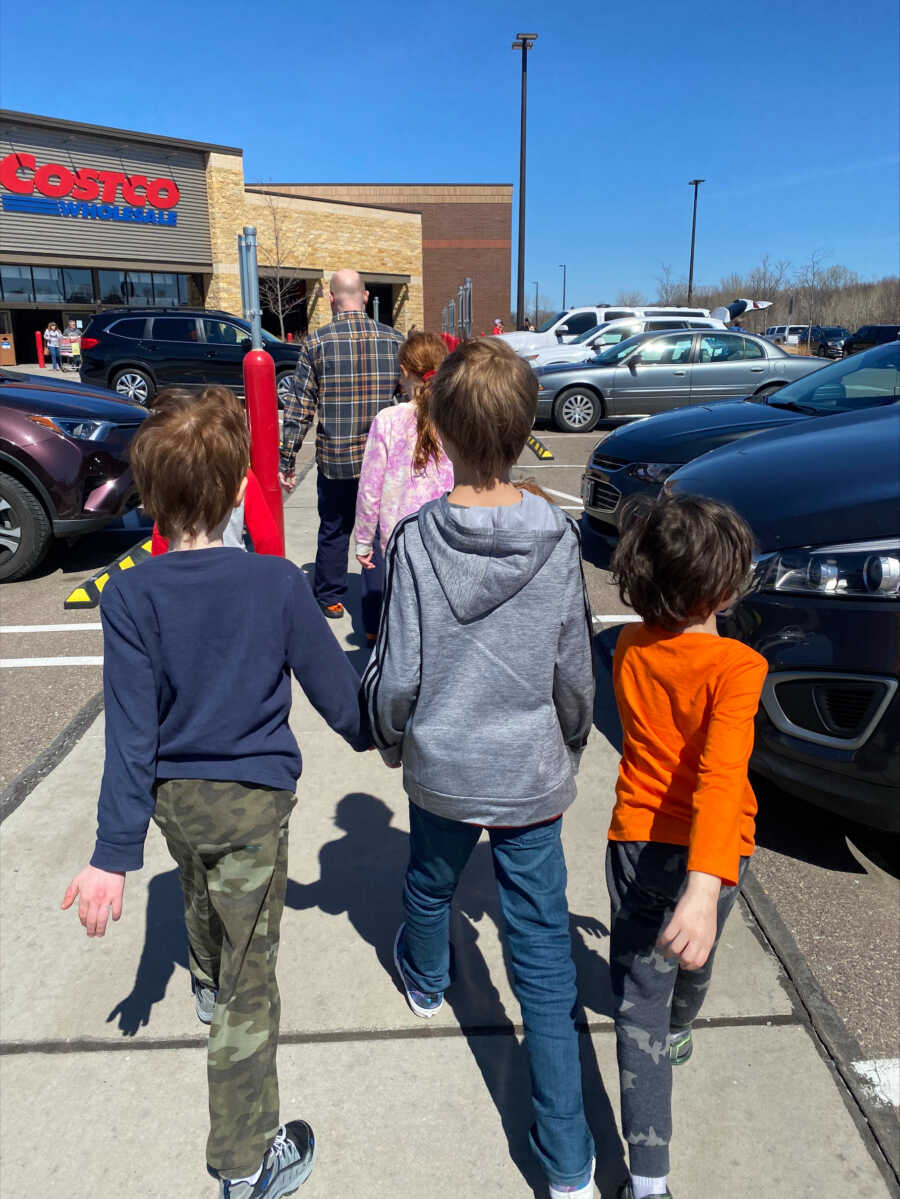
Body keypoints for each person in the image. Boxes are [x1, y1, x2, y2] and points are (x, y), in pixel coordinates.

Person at [61, 391, 371, 1199]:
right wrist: (395, 728)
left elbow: (130, 732)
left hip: (175, 800)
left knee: (196, 881)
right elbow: (344, 704)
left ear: (153, 502)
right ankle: (243, 1161)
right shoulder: (276, 584)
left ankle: (200, 978)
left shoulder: (128, 594)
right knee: (250, 984)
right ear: (242, 490)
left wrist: (112, 855)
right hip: (253, 802)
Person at [363, 338, 597, 1199]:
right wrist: (569, 741)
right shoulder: (558, 539)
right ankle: (569, 1159)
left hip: (447, 763)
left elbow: (399, 669)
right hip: (530, 767)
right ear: (526, 427)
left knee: (430, 885)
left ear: (442, 430)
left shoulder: (418, 542)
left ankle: (426, 979)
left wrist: (394, 738)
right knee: (541, 952)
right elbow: (575, 666)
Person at [605, 492, 767, 1199]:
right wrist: (704, 886)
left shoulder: (628, 647)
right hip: (717, 855)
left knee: (635, 998)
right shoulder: (737, 667)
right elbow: (721, 776)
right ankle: (683, 1019)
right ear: (720, 590)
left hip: (639, 844)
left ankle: (648, 1184)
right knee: (692, 959)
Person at [278, 269, 403, 630]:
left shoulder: (316, 343)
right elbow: (409, 403)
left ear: (332, 299)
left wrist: (286, 459)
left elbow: (299, 408)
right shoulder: (394, 341)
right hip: (382, 461)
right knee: (379, 535)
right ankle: (374, 617)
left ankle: (331, 597)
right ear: (365, 297)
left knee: (334, 528)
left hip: (336, 460)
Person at [353, 332, 454, 639]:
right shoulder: (454, 418)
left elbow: (370, 487)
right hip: (448, 532)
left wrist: (363, 539)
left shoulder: (388, 420)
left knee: (402, 619)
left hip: (399, 537)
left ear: (406, 371)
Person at [148, 386, 282, 557]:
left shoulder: (176, 471)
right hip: (231, 564)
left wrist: (160, 567)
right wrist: (274, 571)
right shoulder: (241, 475)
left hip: (182, 566)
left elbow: (162, 533)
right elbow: (266, 536)